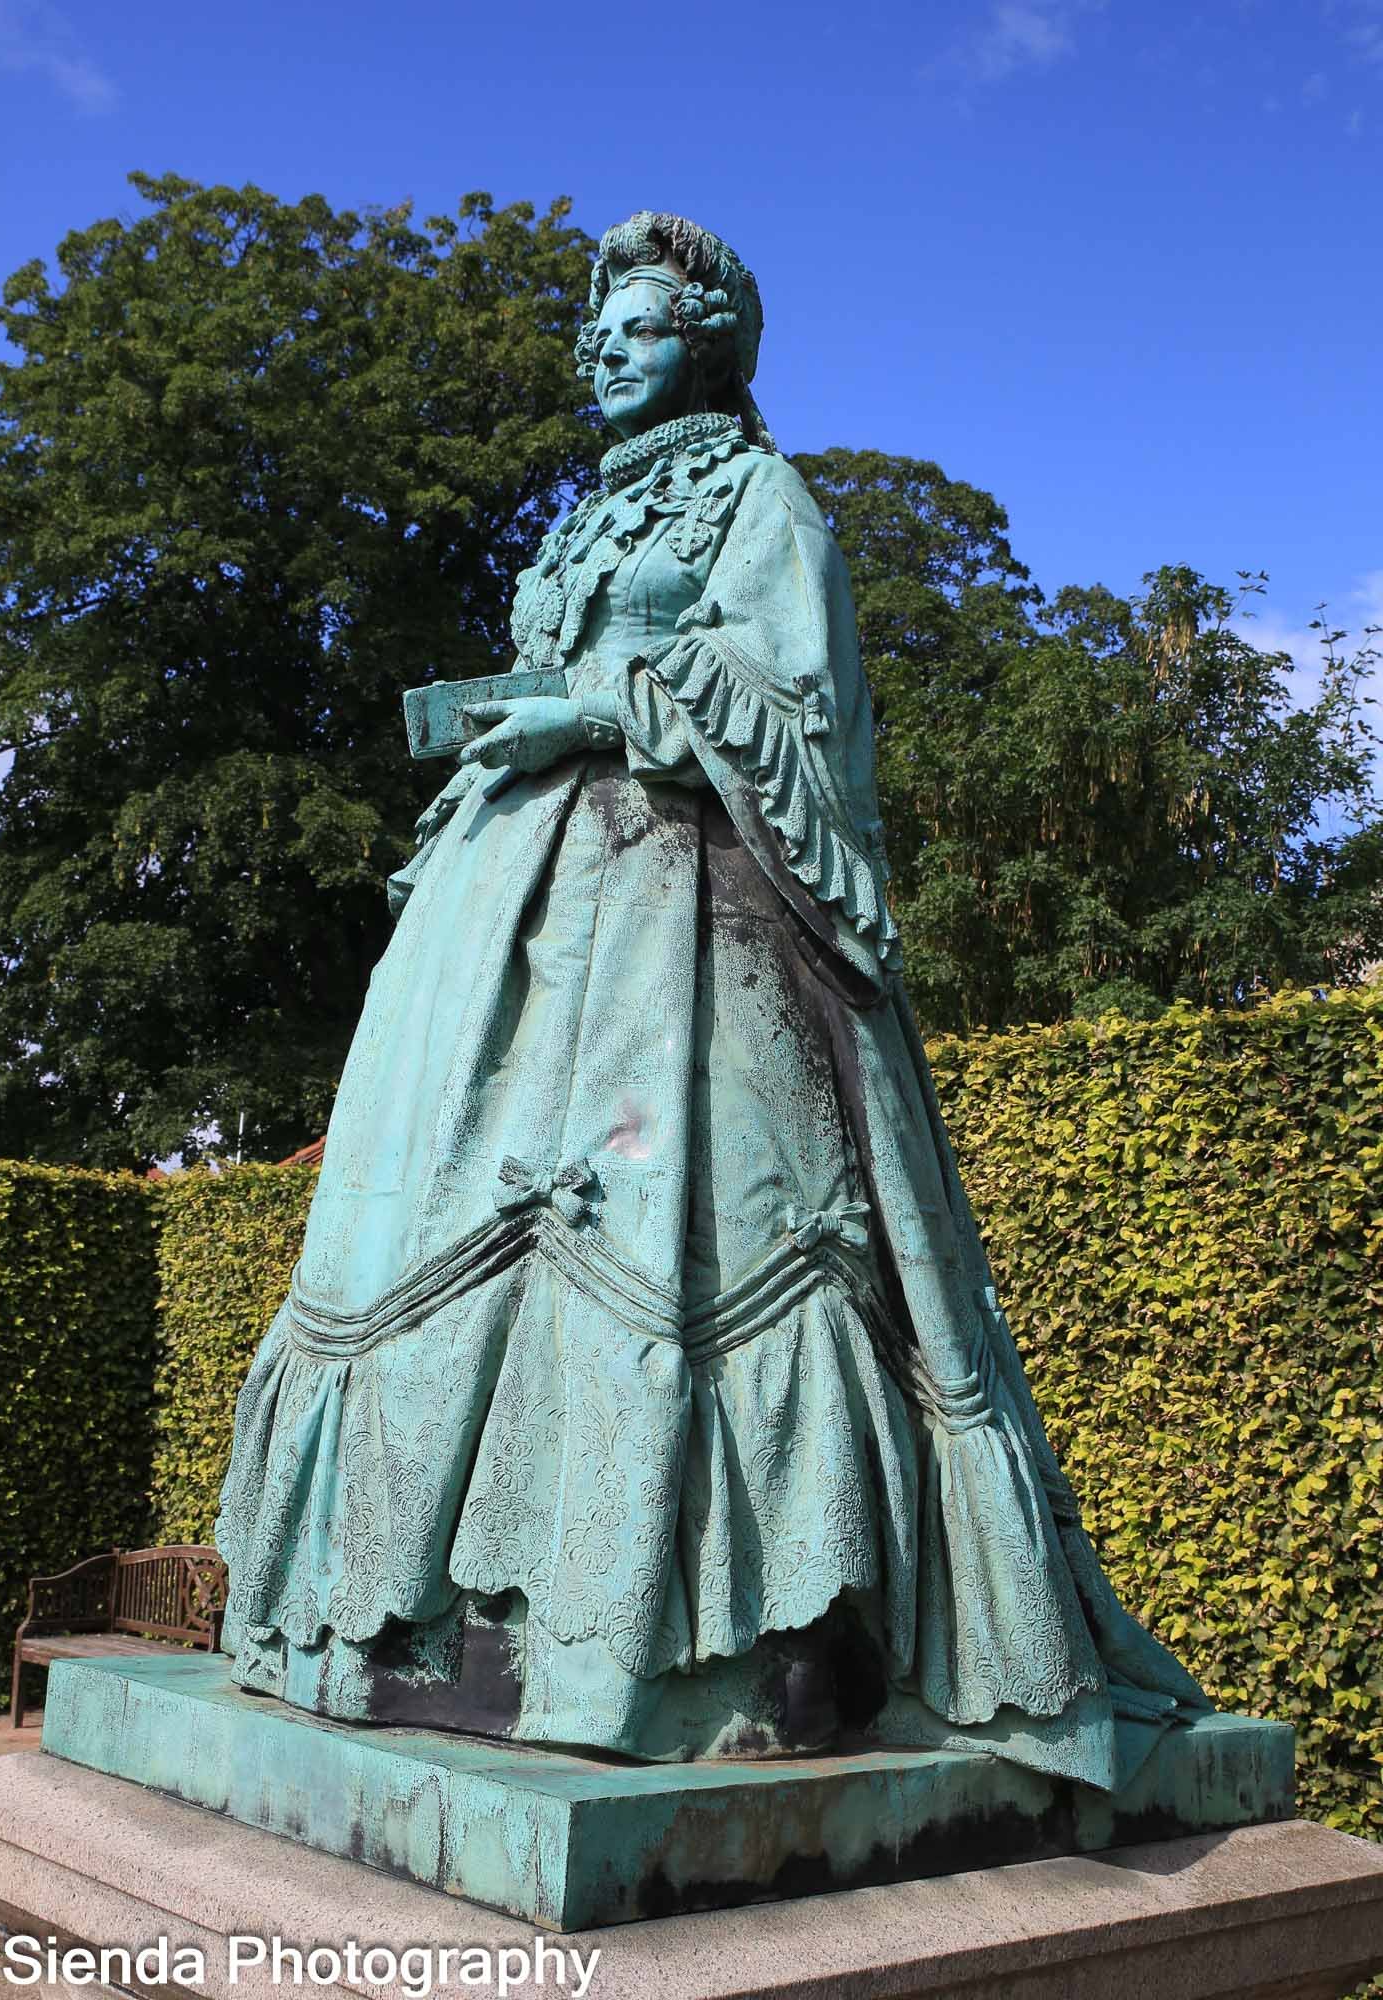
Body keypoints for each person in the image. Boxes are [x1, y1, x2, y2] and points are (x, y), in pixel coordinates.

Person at [214, 211, 1207, 1786]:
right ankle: (422, 1623)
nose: (606, 344)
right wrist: (517, 724)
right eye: (600, 324)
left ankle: (728, 1645)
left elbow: (801, 708)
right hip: (509, 914)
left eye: (644, 323)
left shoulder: (763, 497)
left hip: (685, 903)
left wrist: (593, 709)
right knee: (422, 1226)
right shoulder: (579, 522)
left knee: (711, 1230)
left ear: (715, 344)